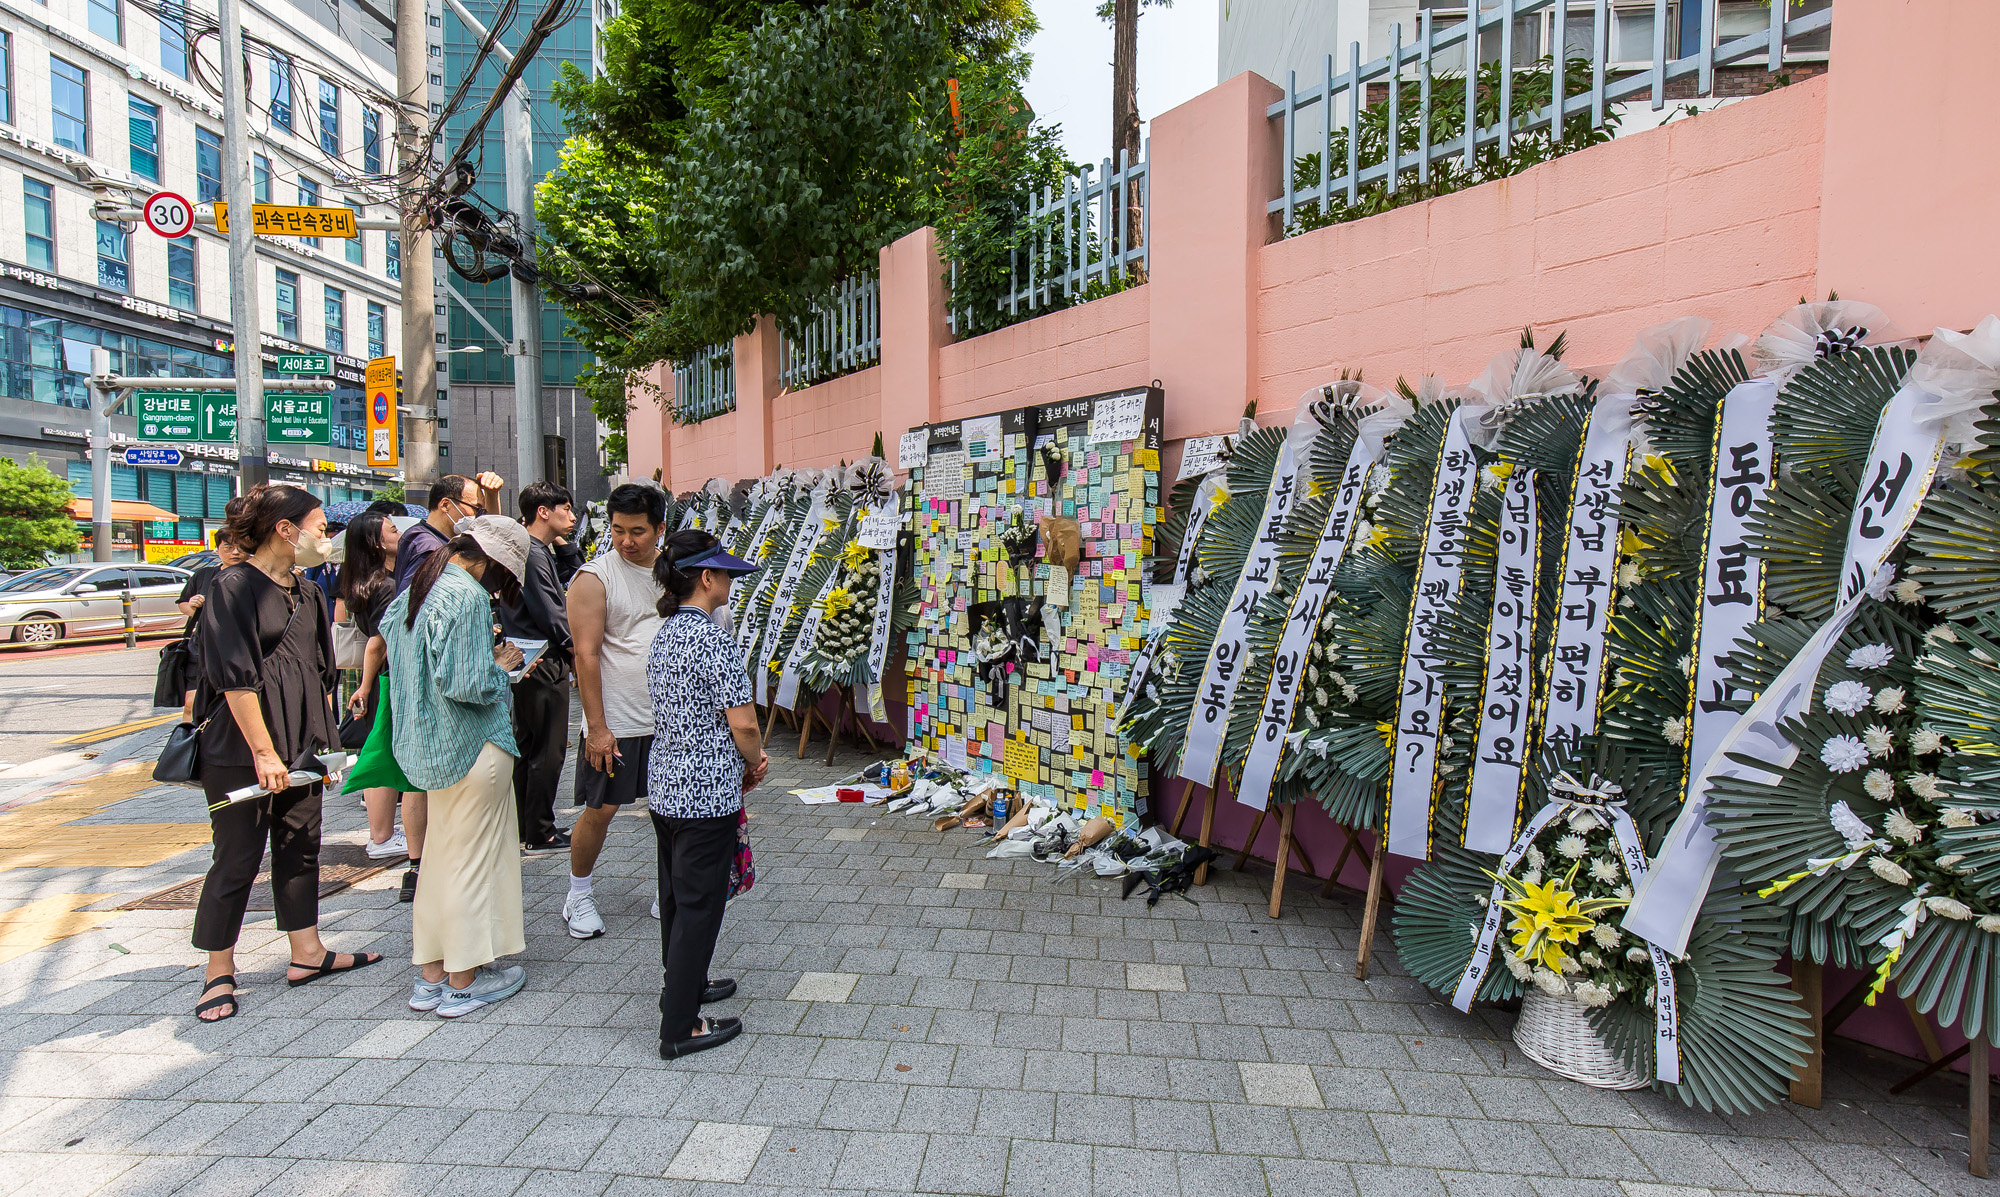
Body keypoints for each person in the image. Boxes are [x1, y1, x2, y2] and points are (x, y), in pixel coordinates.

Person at [188, 484, 380, 1022]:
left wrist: (327, 750)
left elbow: (321, 677)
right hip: (240, 749)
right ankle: (219, 971)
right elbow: (236, 681)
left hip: (301, 746)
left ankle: (308, 952)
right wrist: (265, 755)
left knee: (302, 847)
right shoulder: (231, 586)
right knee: (237, 857)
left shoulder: (309, 592)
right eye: (320, 527)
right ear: (285, 529)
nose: (327, 538)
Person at [380, 515, 531, 1018]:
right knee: (472, 866)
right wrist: (503, 668)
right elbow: (466, 684)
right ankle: (463, 983)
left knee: (440, 866)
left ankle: (431, 979)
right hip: (475, 745)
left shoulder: (415, 591)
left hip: (429, 749)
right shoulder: (465, 597)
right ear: (490, 560)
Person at [645, 529, 767, 1058]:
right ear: (707, 578)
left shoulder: (666, 633)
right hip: (706, 790)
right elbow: (742, 724)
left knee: (677, 898)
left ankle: (684, 985)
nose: (728, 585)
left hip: (666, 783)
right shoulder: (713, 639)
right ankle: (680, 1026)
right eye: (723, 575)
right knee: (700, 906)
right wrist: (756, 759)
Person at [389, 471, 502, 901]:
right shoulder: (431, 554)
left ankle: (424, 867)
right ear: (446, 505)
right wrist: (492, 667)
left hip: (420, 683)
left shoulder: (429, 546)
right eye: (472, 508)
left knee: (422, 777)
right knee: (426, 780)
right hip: (433, 693)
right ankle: (421, 866)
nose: (473, 516)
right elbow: (464, 681)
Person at [562, 483, 666, 938]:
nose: (626, 540)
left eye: (638, 531)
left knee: (672, 810)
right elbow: (584, 656)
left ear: (660, 528)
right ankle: (578, 895)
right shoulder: (594, 577)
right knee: (600, 809)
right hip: (617, 721)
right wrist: (598, 728)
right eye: (619, 530)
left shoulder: (675, 571)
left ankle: (669, 888)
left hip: (670, 719)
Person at [503, 481, 576, 853]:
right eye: (566, 509)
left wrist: (565, 544)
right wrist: (574, 648)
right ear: (543, 512)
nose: (573, 517)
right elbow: (551, 611)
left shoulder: (533, 549)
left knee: (529, 746)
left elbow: (574, 573)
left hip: (529, 658)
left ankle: (526, 826)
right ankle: (540, 831)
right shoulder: (531, 553)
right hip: (543, 660)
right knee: (548, 749)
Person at [338, 511, 408, 859]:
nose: (401, 533)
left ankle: (383, 834)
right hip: (389, 678)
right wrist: (365, 688)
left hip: (383, 679)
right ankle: (381, 837)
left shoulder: (369, 580)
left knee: (383, 750)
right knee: (383, 752)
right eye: (394, 530)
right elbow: (378, 642)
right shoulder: (387, 585)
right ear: (378, 543)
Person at [175, 525, 247, 722]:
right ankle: (188, 746)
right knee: (191, 703)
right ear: (217, 549)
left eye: (241, 547)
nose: (235, 552)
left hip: (239, 648)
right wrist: (192, 606)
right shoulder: (204, 575)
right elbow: (183, 603)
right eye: (228, 547)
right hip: (202, 645)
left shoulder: (254, 575)